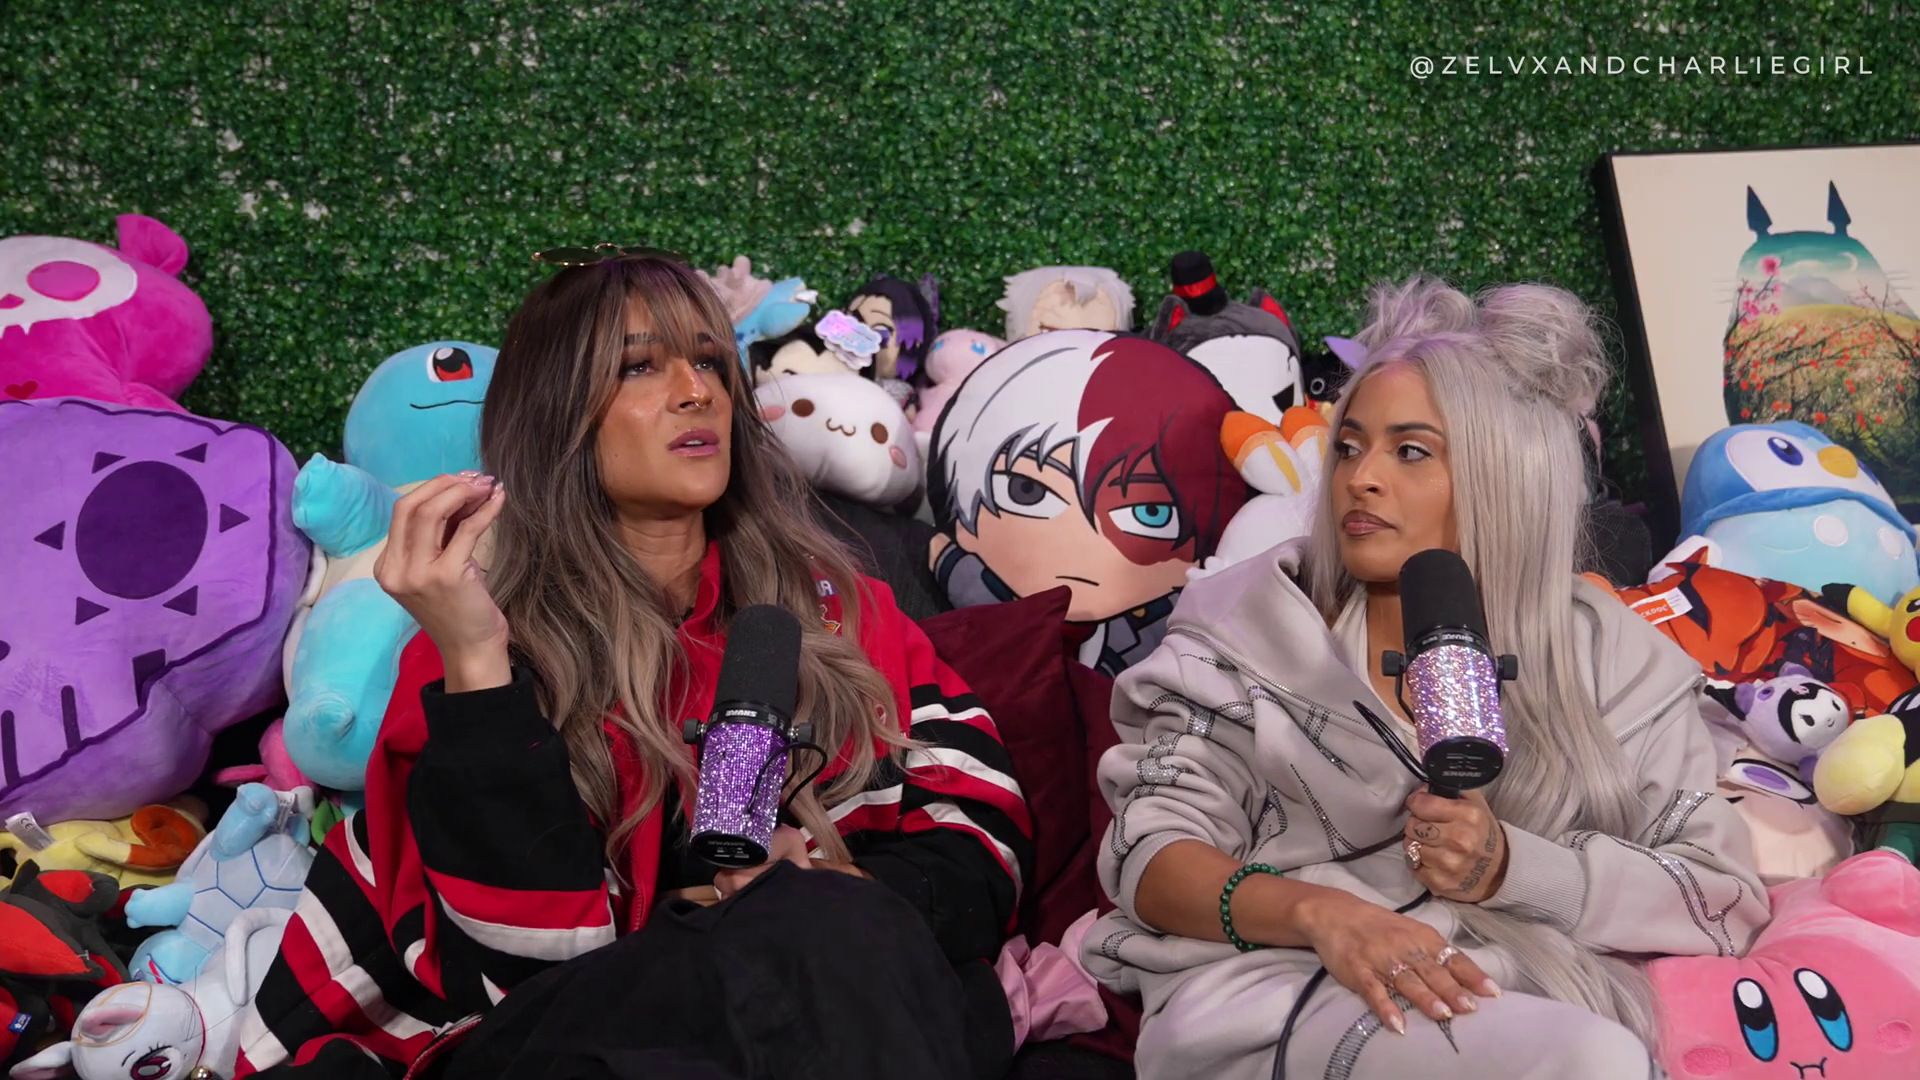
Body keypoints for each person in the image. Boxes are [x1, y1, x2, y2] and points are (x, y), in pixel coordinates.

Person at [235, 250, 1032, 1080]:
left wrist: (830, 883)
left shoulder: (837, 608)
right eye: (639, 367)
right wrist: (475, 659)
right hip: (551, 1041)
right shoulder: (474, 645)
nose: (697, 392)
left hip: (825, 1003)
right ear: (556, 415)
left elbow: (981, 846)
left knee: (836, 933)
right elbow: (522, 965)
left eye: (710, 362)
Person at [1080, 276, 1769, 1080]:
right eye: (1349, 446)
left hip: (1525, 982)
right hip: (1285, 984)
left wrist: (1512, 869)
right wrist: (1324, 915)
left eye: (1410, 451)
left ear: (1505, 474)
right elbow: (1151, 856)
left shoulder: (1609, 655)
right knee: (1592, 1063)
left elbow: (1719, 899)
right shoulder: (1243, 631)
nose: (1360, 477)